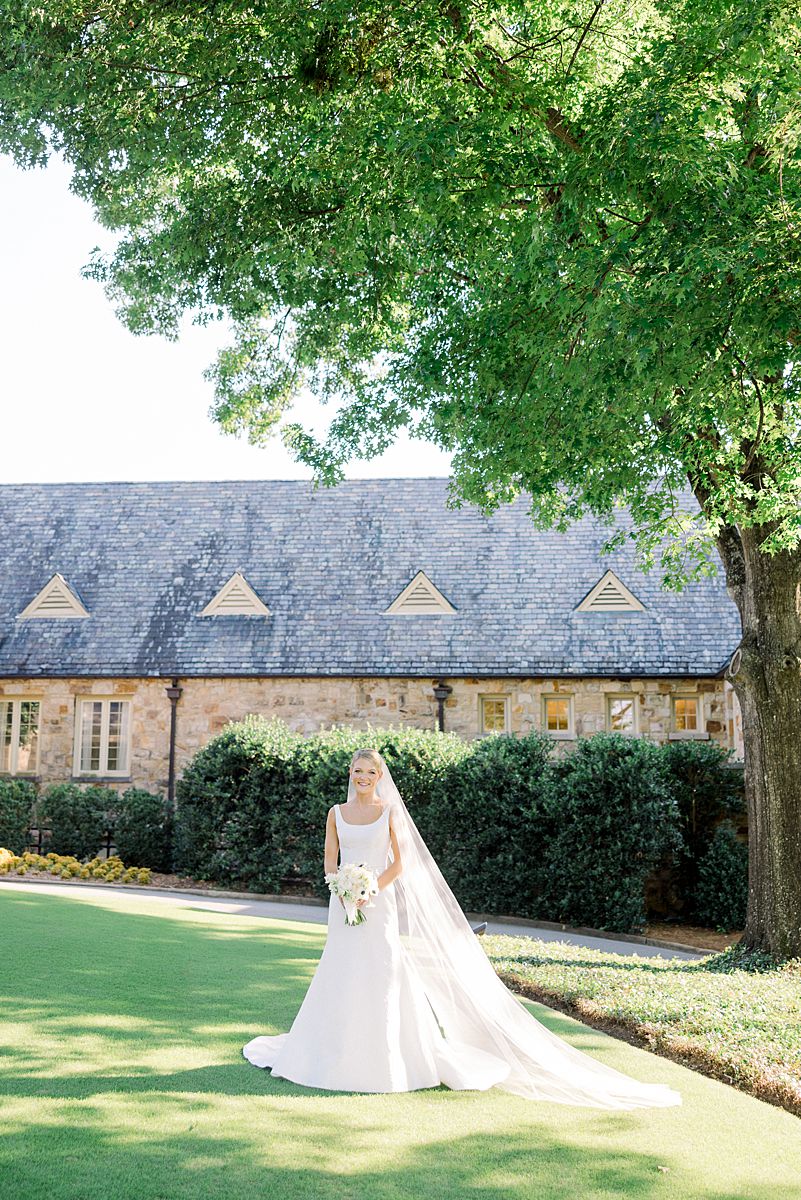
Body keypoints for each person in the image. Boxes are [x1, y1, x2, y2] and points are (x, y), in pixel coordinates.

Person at [243, 748, 682, 1109]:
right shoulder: (335, 812)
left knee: (381, 970)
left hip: (379, 903)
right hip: (342, 903)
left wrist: (370, 888)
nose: (363, 777)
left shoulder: (388, 812)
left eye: (370, 772)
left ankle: (388, 1056)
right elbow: (329, 858)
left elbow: (401, 862)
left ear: (379, 776)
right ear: (350, 773)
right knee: (340, 969)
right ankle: (330, 1050)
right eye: (357, 771)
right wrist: (341, 889)